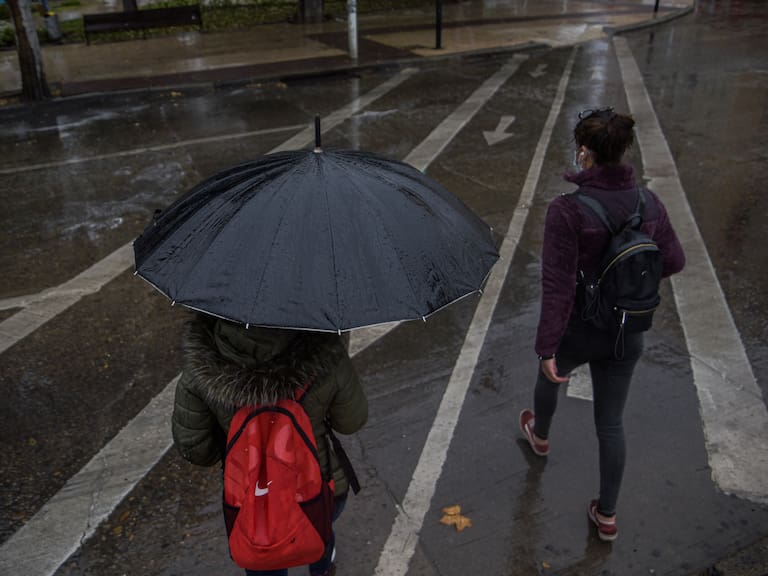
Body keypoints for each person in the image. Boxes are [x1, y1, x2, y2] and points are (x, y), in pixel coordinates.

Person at [519, 108, 685, 542]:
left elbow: (557, 288)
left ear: (584, 153)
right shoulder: (650, 203)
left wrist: (547, 348)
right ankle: (607, 515)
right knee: (610, 423)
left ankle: (540, 435)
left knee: (549, 377)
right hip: (627, 331)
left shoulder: (568, 211)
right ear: (623, 150)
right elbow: (673, 261)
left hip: (578, 329)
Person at [172, 312, 368, 576]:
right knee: (318, 530)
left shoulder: (200, 370)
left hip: (250, 496)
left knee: (262, 555)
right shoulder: (327, 355)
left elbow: (195, 448)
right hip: (318, 488)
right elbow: (351, 422)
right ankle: (322, 569)